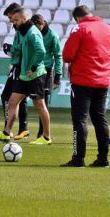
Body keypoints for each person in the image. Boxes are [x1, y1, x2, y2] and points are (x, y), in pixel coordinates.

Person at [0, 6, 52, 145]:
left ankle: (47, 137)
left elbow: (41, 51)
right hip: (24, 75)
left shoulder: (32, 32)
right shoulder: (22, 31)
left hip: (35, 75)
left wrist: (33, 67)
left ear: (25, 18)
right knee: (12, 101)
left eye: (16, 19)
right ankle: (6, 133)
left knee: (40, 105)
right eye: (13, 20)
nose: (14, 22)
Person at [61, 6, 110, 168]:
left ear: (78, 18)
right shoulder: (107, 28)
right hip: (103, 80)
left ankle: (78, 159)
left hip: (83, 80)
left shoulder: (79, 28)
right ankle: (103, 159)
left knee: (80, 120)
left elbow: (67, 55)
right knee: (100, 119)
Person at [28, 13, 62, 141]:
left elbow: (58, 56)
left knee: (43, 103)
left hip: (46, 71)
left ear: (42, 24)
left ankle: (42, 133)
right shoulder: (32, 33)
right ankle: (22, 129)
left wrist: (58, 76)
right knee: (19, 98)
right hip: (31, 69)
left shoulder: (52, 35)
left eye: (37, 26)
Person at [0, 3, 28, 137]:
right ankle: (21, 129)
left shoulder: (25, 28)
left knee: (8, 97)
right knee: (17, 98)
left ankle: (10, 129)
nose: (10, 20)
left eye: (11, 17)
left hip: (23, 67)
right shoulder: (19, 26)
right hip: (19, 66)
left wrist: (13, 52)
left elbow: (27, 48)